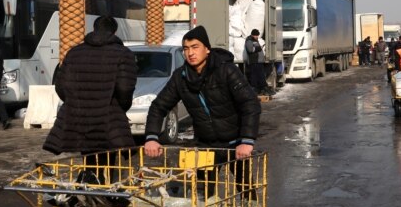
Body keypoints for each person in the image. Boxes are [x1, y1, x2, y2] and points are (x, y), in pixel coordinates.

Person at [143, 25, 261, 165]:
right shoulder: (180, 77)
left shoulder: (226, 70)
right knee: (201, 186)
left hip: (236, 144)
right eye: (186, 49)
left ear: (207, 49)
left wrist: (247, 139)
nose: (190, 53)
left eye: (195, 47)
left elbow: (250, 103)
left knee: (244, 186)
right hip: (204, 145)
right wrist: (151, 136)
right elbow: (158, 106)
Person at [42, 15, 137, 156]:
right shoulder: (124, 54)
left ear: (94, 29)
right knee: (107, 165)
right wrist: (119, 107)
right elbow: (125, 88)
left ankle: (89, 177)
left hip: (79, 119)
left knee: (89, 160)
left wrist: (76, 103)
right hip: (109, 118)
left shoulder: (74, 53)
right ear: (115, 32)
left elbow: (60, 86)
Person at [244, 29, 272, 96]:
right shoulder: (249, 40)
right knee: (255, 76)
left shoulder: (255, 40)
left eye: (257, 35)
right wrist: (258, 48)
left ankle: (261, 89)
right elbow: (250, 50)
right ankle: (255, 90)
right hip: (254, 61)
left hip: (258, 61)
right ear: (253, 34)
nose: (257, 36)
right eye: (256, 35)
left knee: (260, 76)